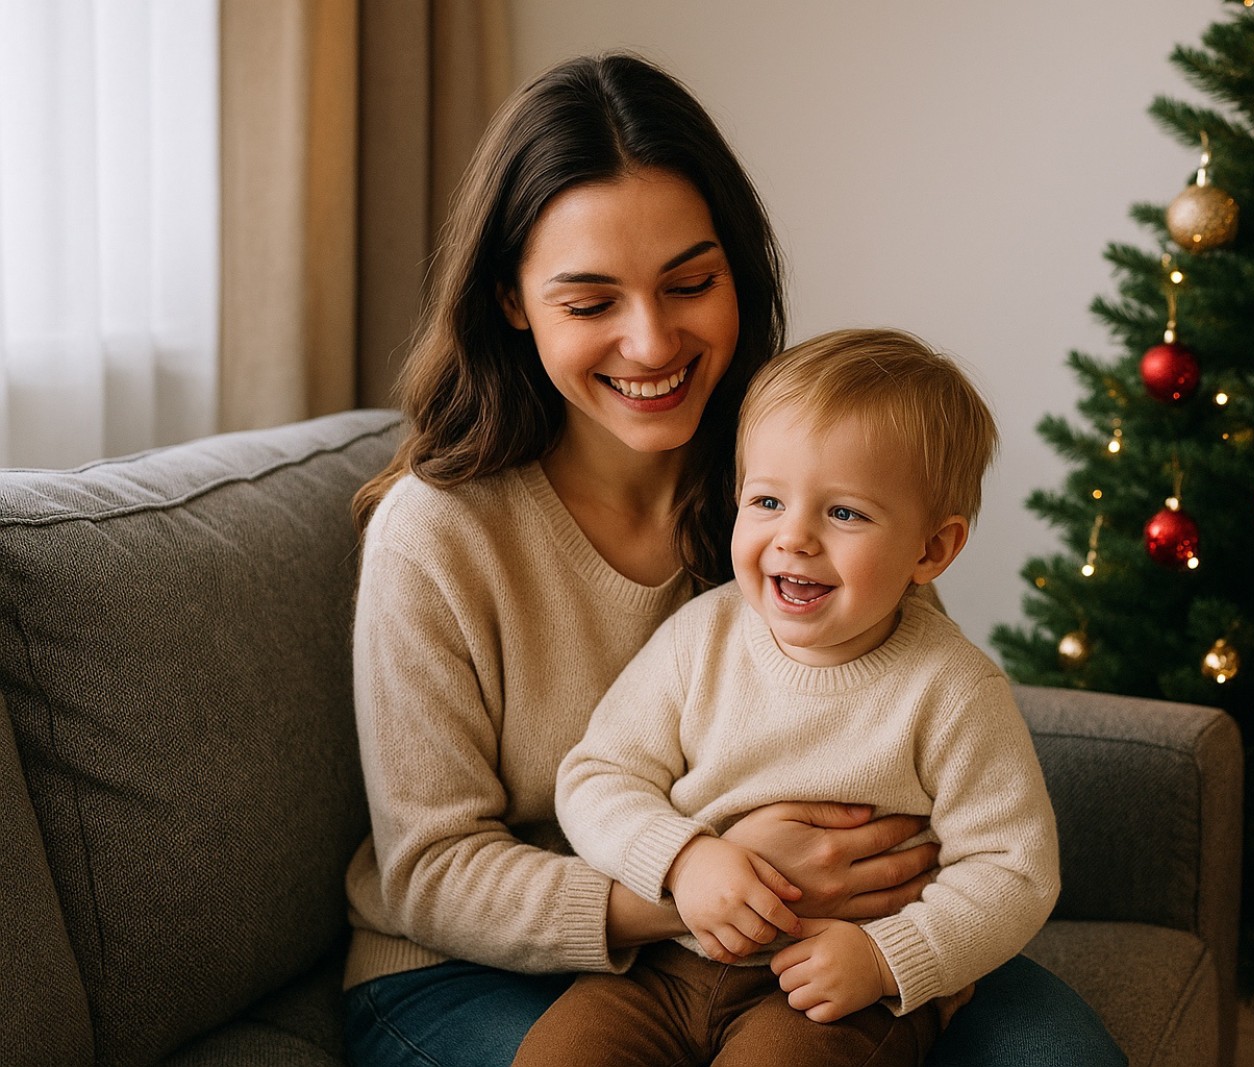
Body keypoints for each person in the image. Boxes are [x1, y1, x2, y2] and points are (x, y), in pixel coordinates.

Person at [341, 51, 1126, 1067]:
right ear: (512, 301)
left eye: (690, 283)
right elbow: (431, 873)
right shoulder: (438, 532)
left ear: (737, 278)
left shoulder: (792, 471)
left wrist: (905, 946)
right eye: (590, 303)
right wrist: (706, 883)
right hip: (480, 963)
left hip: (816, 947)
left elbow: (914, 711)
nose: (652, 341)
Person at [515, 328, 1061, 1067]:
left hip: (838, 988)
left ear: (931, 550)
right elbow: (596, 776)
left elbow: (1014, 869)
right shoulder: (700, 637)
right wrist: (684, 862)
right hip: (665, 967)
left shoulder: (952, 688)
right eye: (767, 499)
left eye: (844, 513)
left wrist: (886, 956)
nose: (793, 537)